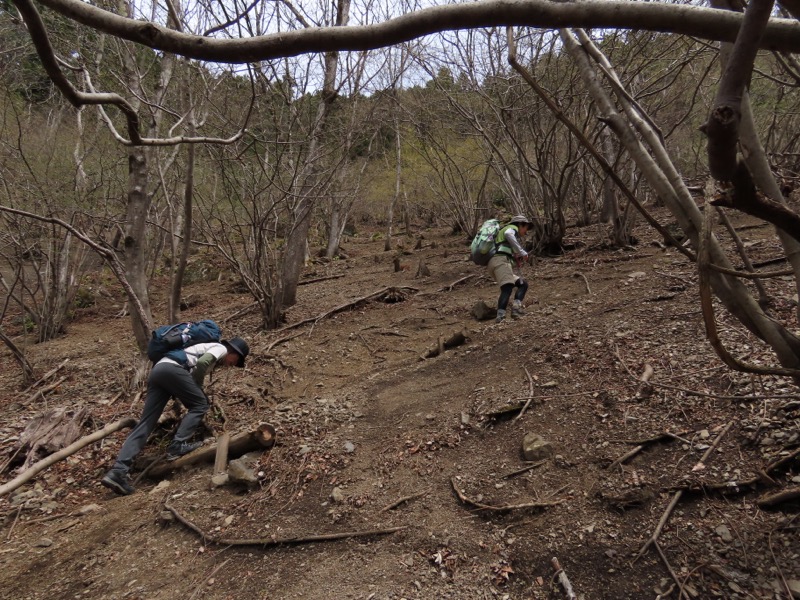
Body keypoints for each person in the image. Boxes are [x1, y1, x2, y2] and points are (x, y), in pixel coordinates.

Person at [101, 336, 250, 496]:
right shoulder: (220, 348)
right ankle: (178, 445)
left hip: (158, 370)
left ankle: (118, 471)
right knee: (201, 404)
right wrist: (198, 388)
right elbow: (202, 363)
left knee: (146, 423)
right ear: (233, 351)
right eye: (237, 360)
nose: (233, 364)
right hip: (173, 370)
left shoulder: (204, 347)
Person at [487, 215, 532, 323]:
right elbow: (508, 234)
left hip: (497, 263)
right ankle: (501, 316)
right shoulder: (511, 228)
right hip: (500, 262)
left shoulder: (503, 234)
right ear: (520, 224)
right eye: (526, 228)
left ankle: (516, 308)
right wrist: (522, 252)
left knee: (522, 284)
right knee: (507, 287)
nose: (526, 231)